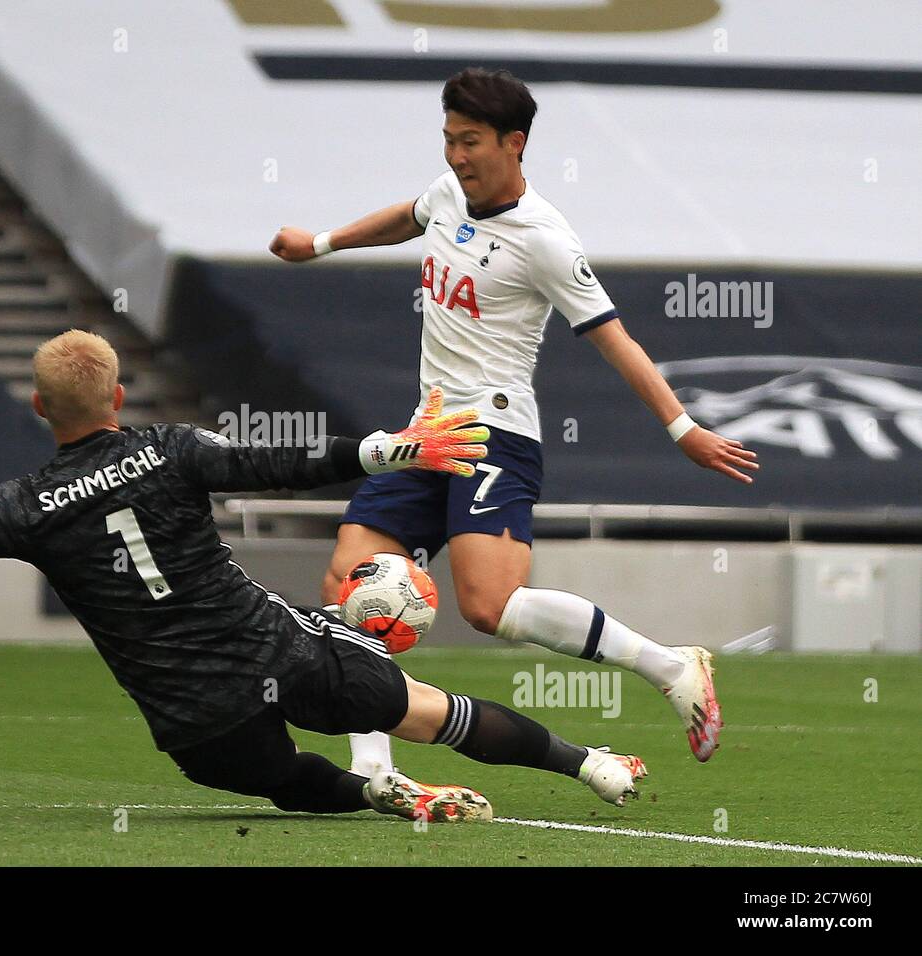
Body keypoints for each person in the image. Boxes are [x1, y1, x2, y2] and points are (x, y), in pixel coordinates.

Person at [0, 330, 649, 823]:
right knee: (428, 708)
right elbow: (284, 461)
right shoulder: (173, 450)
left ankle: (372, 795)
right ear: (116, 395)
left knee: (283, 784)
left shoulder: (23, 508)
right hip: (276, 649)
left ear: (35, 406)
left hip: (193, 720)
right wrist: (392, 448)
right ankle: (591, 765)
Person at [269, 67, 757, 777]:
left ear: (514, 143)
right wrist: (320, 243)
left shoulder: (545, 239)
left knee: (488, 606)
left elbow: (616, 339)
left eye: (469, 141)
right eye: (448, 139)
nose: (455, 155)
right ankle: (375, 774)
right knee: (349, 581)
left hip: (495, 433)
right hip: (427, 431)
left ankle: (669, 666)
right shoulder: (448, 194)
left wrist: (684, 430)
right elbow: (409, 215)